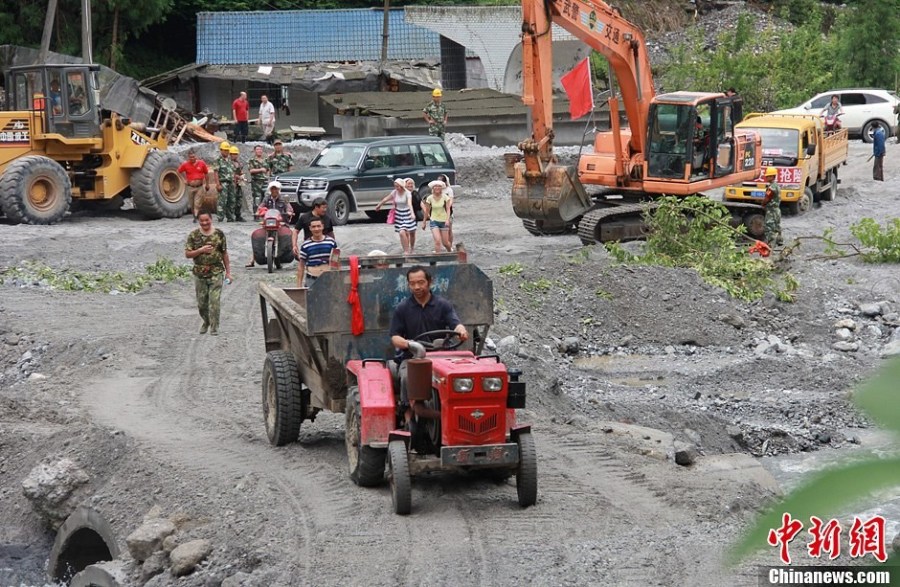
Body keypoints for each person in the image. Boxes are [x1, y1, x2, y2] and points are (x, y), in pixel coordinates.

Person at [389, 265, 468, 422]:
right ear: (408, 285)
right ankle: (408, 414)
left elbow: (455, 323)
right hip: (414, 358)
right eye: (412, 283)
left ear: (430, 282)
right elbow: (394, 337)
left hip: (442, 357)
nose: (417, 287)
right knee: (406, 376)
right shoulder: (402, 308)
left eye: (421, 282)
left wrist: (461, 331)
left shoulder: (443, 305)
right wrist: (409, 344)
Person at [184, 212, 232, 336]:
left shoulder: (219, 234)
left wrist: (228, 273)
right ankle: (206, 321)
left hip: (216, 272)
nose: (205, 223)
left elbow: (224, 254)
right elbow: (188, 254)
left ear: (211, 219)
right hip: (200, 273)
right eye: (202, 221)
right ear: (199, 221)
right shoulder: (194, 235)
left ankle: (214, 327)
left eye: (207, 220)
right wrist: (200, 250)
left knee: (214, 301)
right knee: (202, 303)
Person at [247, 181, 293, 268]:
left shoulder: (283, 199)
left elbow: (289, 207)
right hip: (268, 222)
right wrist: (258, 211)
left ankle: (295, 252)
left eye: (276, 189)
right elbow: (261, 206)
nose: (274, 191)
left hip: (281, 222)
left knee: (290, 235)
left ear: (279, 190)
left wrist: (289, 212)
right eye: (272, 189)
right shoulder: (266, 199)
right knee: (258, 238)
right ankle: (252, 259)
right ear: (270, 190)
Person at [375, 178, 417, 254]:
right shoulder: (394, 192)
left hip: (407, 214)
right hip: (399, 214)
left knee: (410, 232)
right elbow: (386, 199)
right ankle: (406, 250)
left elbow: (409, 204)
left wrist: (412, 213)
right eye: (395, 186)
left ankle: (411, 248)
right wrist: (379, 205)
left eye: (398, 186)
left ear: (401, 186)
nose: (396, 188)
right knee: (401, 233)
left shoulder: (407, 193)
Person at [296, 217, 337, 287]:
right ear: (310, 228)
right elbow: (301, 266)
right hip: (311, 280)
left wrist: (336, 282)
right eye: (313, 227)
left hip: (328, 279)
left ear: (322, 227)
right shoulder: (306, 245)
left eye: (318, 226)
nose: (316, 229)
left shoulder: (331, 242)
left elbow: (336, 262)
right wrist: (298, 286)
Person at [177, 149, 210, 222]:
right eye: (190, 157)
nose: (192, 158)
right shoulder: (185, 164)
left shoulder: (201, 163)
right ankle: (195, 215)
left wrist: (207, 184)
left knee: (197, 203)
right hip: (190, 187)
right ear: (188, 158)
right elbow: (178, 172)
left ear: (196, 156)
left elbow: (206, 173)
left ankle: (195, 217)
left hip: (199, 187)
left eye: (193, 157)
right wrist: (183, 180)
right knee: (191, 204)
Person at [422, 179, 453, 253]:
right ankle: (437, 257)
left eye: (439, 186)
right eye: (435, 186)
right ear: (433, 188)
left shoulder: (445, 197)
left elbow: (448, 209)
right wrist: (424, 222)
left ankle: (449, 250)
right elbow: (427, 210)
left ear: (441, 188)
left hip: (443, 220)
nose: (437, 188)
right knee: (437, 241)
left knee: (445, 243)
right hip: (434, 220)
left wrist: (447, 220)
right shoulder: (429, 198)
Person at [213, 142, 236, 222]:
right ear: (221, 150)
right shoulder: (218, 160)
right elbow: (216, 173)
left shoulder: (230, 160)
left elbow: (233, 172)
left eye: (227, 150)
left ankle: (230, 217)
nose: (226, 152)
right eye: (225, 150)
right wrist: (218, 184)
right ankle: (220, 217)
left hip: (231, 183)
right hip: (223, 183)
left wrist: (234, 182)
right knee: (222, 201)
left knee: (232, 200)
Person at [762, 166, 783, 247]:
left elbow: (767, 198)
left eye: (768, 176)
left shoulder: (771, 187)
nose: (766, 177)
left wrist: (763, 204)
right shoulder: (777, 185)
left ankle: (770, 243)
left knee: (769, 226)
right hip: (777, 210)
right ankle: (779, 240)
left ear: (772, 176)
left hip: (771, 210)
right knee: (777, 226)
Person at [248, 145, 269, 209]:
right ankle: (256, 215)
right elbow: (251, 170)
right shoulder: (252, 160)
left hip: (265, 182)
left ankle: (264, 214)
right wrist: (260, 170)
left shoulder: (265, 160)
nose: (259, 151)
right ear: (255, 151)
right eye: (257, 149)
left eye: (260, 149)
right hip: (256, 182)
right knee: (257, 199)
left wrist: (268, 177)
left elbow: (268, 170)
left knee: (266, 198)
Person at [228, 146, 246, 222]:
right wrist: (237, 176)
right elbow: (229, 173)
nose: (235, 155)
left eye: (236, 154)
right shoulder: (228, 163)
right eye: (233, 154)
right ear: (230, 154)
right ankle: (230, 216)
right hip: (232, 184)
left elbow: (240, 171)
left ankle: (238, 215)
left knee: (239, 200)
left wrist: (242, 176)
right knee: (232, 200)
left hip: (238, 184)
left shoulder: (239, 163)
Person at [437, 174, 454, 248]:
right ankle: (442, 245)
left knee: (449, 229)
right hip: (438, 212)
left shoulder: (449, 190)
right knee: (440, 230)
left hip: (447, 212)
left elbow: (451, 201)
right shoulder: (437, 190)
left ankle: (450, 245)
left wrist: (446, 207)